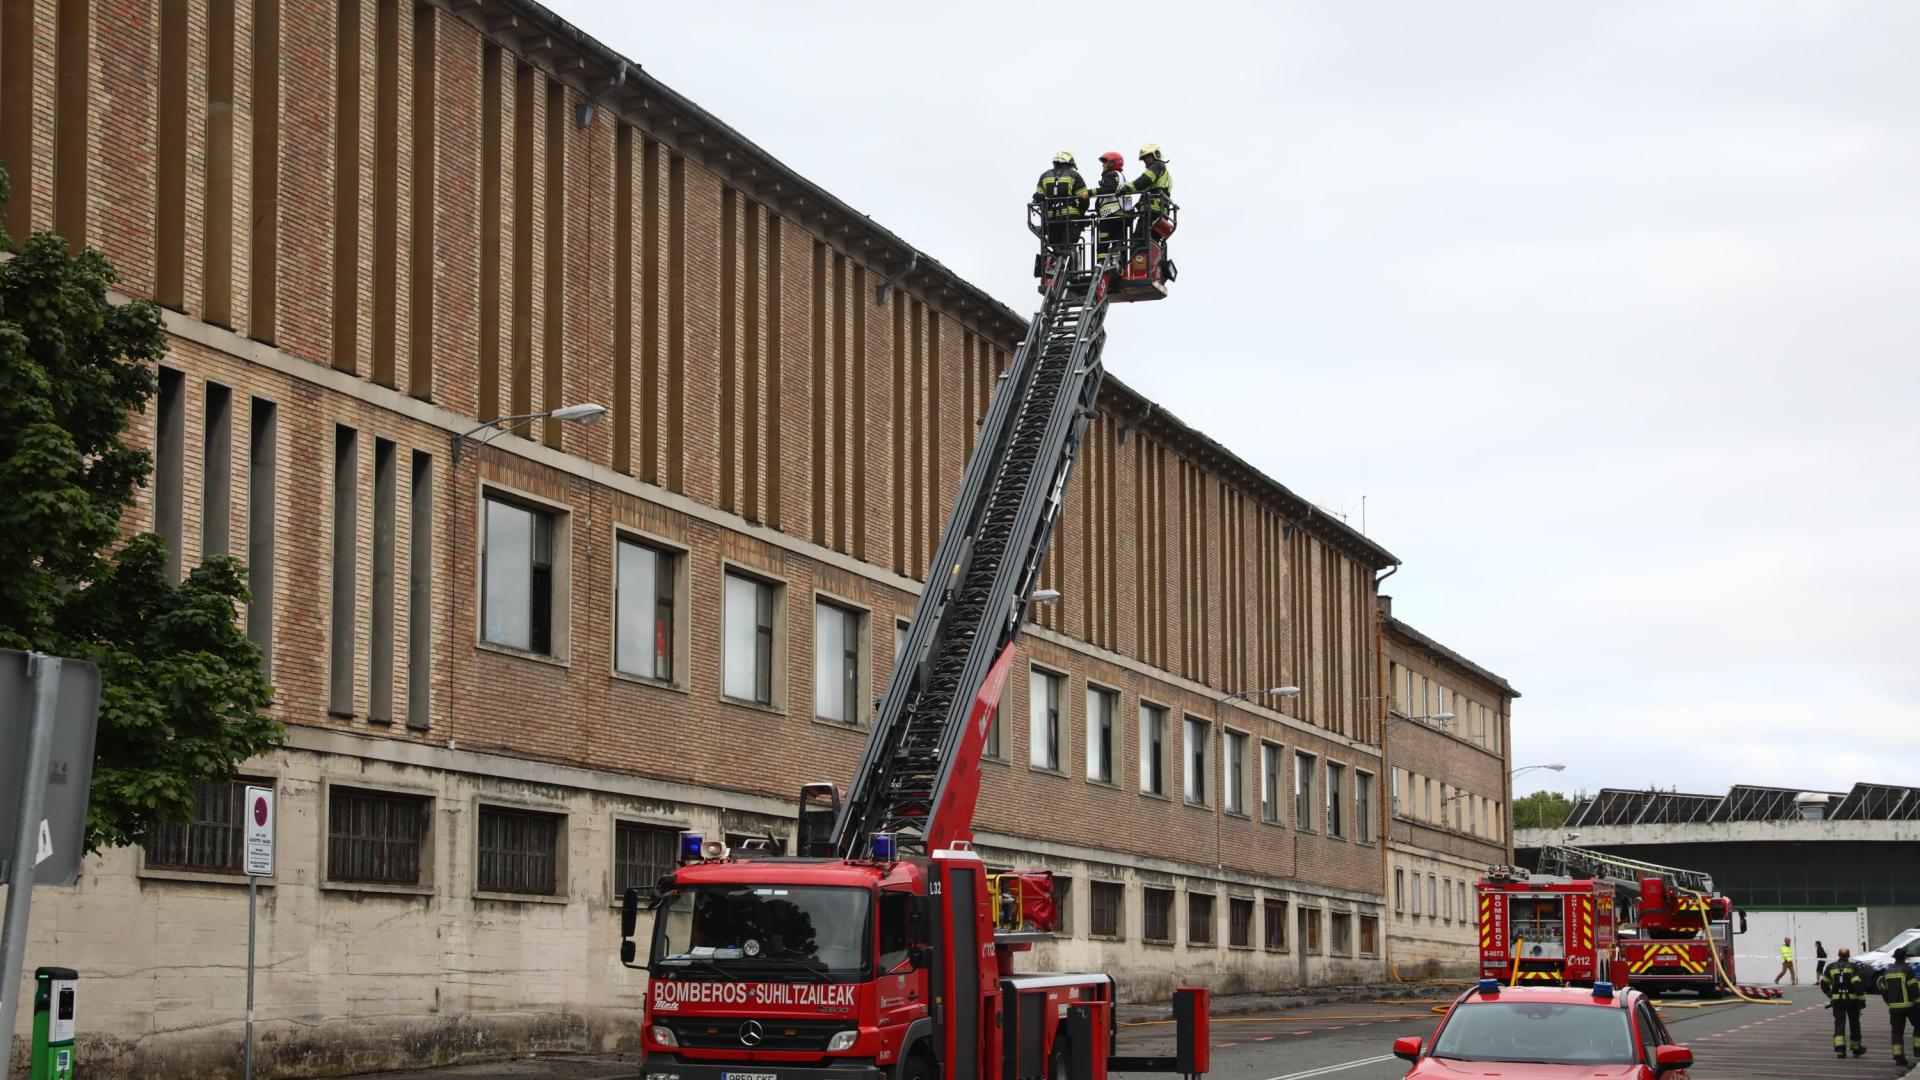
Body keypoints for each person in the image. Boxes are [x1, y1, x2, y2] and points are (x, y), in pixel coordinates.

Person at [1032, 150, 1090, 257]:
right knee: (1068, 246)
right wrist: (1081, 214)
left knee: (1056, 248)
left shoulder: (1044, 176)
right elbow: (1084, 198)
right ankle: (1066, 264)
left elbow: (1038, 196)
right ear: (1069, 162)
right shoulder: (1074, 175)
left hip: (1051, 219)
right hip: (1071, 219)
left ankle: (1056, 264)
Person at [1822, 947, 1868, 1058]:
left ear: (1838, 955)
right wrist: (1862, 999)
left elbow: (1824, 984)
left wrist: (1830, 994)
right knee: (1854, 1024)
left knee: (1839, 1024)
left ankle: (1840, 1050)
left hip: (1837, 1001)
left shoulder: (1830, 967)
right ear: (1848, 955)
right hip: (1852, 1001)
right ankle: (1856, 1048)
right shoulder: (1853, 967)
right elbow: (1857, 985)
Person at [1883, 947, 1920, 1066]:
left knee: (1897, 1032)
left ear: (1894, 957)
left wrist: (1889, 1002)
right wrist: (1917, 1001)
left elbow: (1884, 990)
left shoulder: (1887, 971)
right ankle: (1918, 1050)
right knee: (1918, 1025)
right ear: (1905, 957)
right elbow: (1913, 988)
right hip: (1909, 1006)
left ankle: (1899, 1056)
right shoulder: (1907, 970)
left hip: (1894, 1007)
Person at [1092, 151, 1130, 265]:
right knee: (1119, 242)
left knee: (1103, 241)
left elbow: (1108, 190)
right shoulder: (1121, 177)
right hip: (1122, 216)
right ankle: (1119, 264)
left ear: (1112, 163)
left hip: (1110, 216)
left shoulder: (1110, 175)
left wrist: (1089, 193)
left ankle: (1101, 264)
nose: (1102, 165)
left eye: (1105, 162)